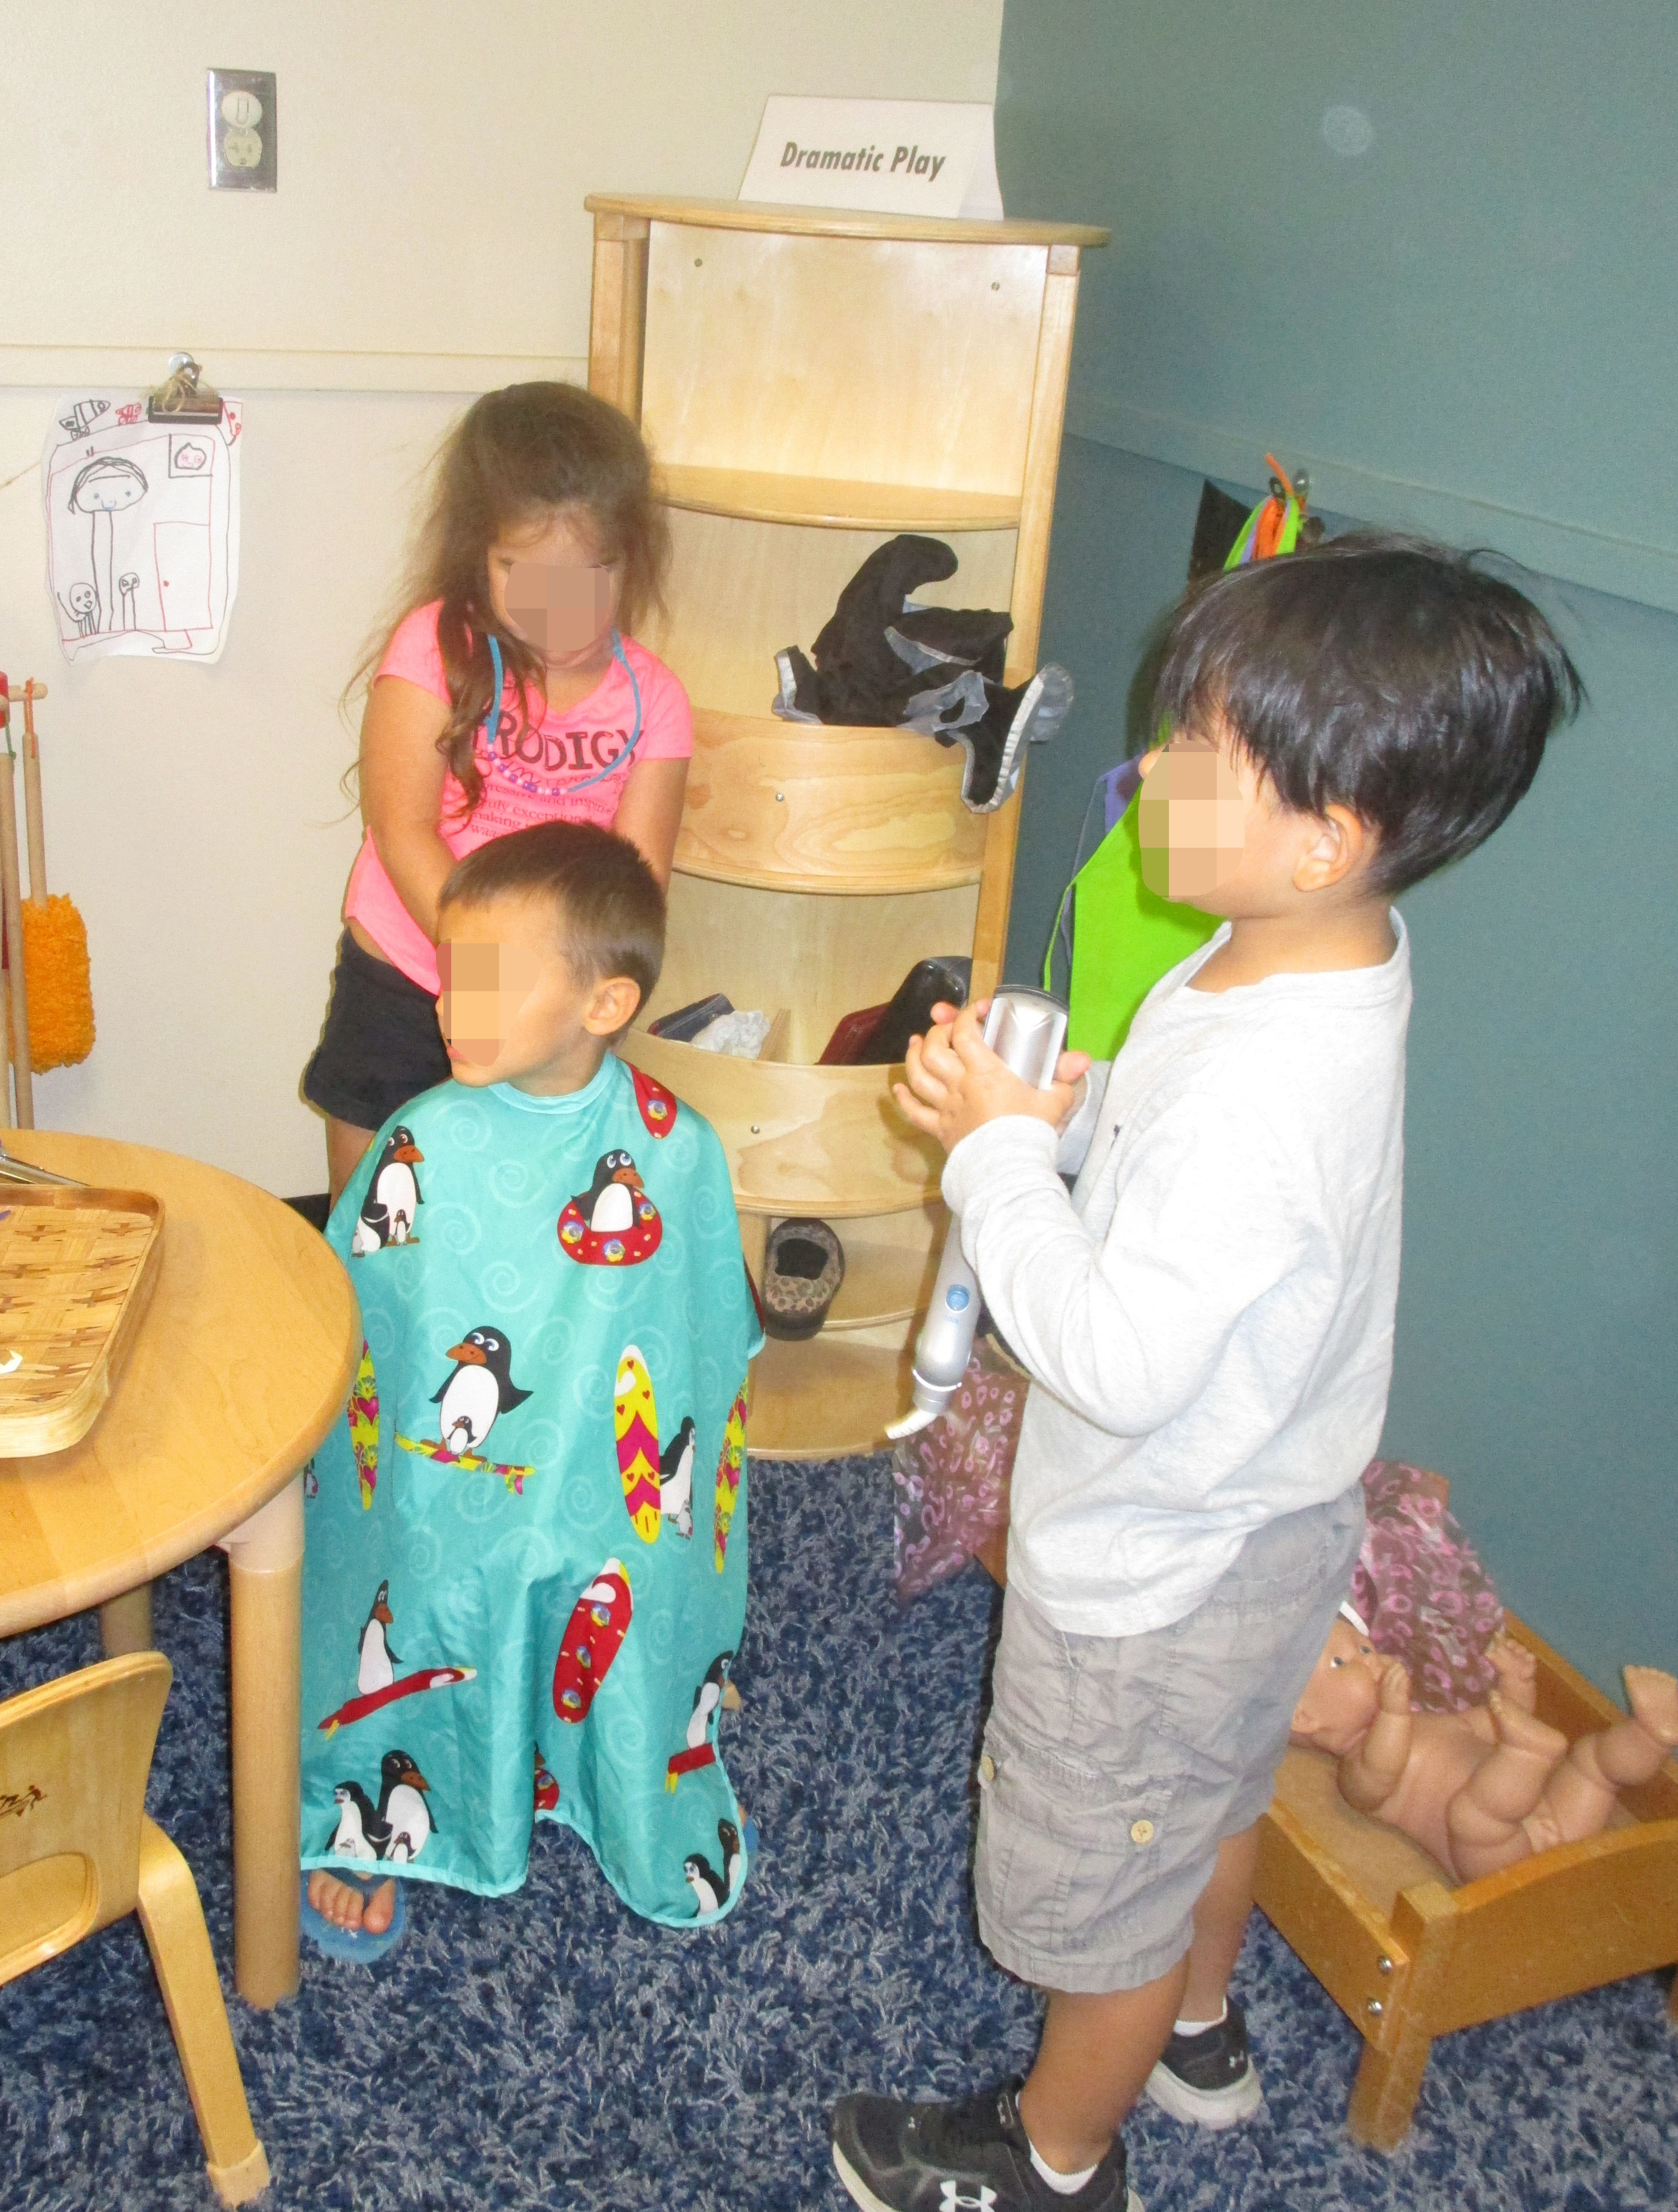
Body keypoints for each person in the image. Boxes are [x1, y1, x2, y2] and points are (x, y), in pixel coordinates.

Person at [831, 534, 1582, 2212]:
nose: (1148, 768)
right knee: (1210, 1802)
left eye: (1194, 752)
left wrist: (997, 1167)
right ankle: (1200, 2028)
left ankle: (1052, 2154)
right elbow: (1197, 1189)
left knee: (1101, 1891)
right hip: (1265, 1534)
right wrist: (1072, 1118)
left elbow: (1105, 1351)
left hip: (1153, 1573)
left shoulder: (1267, 1082)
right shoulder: (1306, 951)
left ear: (1323, 835)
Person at [299, 822, 760, 1958]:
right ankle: (383, 1808)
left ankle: (642, 1733)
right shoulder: (419, 1140)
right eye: (452, 973)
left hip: (612, 1479)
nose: (452, 1004)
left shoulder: (679, 1151)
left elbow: (704, 1353)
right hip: (440, 1473)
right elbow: (360, 1337)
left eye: (494, 980)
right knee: (426, 1568)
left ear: (604, 1006)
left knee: (630, 1564)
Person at [303, 380, 692, 1205]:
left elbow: (635, 889)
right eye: (524, 570)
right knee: (377, 1222)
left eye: (585, 573)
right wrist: (481, 976)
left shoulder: (654, 703)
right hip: (405, 978)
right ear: (480, 550)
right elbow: (401, 827)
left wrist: (539, 997)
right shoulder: (433, 648)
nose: (555, 605)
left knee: (508, 1216)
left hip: (549, 1006)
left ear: (631, 557)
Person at [1292, 1614, 1678, 1884]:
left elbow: (1500, 1722)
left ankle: (1652, 1735)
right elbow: (1376, 1781)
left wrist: (1515, 1683)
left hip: (1551, 1822)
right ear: (1305, 1717)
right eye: (1343, 1663)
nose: (1370, 1662)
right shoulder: (1357, 1766)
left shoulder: (1435, 1724)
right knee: (1471, 1815)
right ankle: (1526, 1757)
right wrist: (1393, 1712)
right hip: (1493, 1861)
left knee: (1593, 1762)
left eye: (1365, 1650)